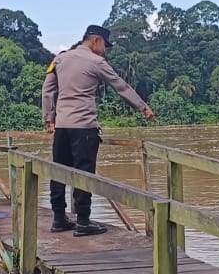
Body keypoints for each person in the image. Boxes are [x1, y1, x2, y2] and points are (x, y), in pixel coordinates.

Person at [41, 24, 156, 236]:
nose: (105, 50)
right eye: (104, 45)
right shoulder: (96, 62)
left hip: (62, 126)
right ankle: (83, 222)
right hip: (84, 127)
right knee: (84, 173)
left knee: (59, 171)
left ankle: (59, 219)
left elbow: (48, 90)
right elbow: (120, 86)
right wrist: (143, 107)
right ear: (95, 41)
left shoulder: (60, 59)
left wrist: (49, 118)